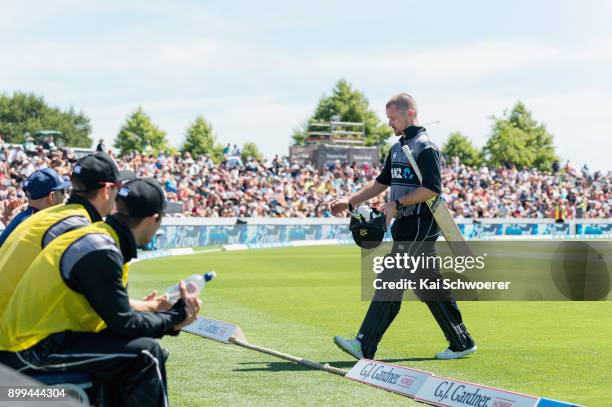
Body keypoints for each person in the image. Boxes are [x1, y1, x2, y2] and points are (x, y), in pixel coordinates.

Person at [0, 178, 199, 407]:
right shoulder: (100, 247)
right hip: (26, 353)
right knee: (147, 354)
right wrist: (174, 318)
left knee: (127, 355)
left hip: (28, 344)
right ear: (153, 219)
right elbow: (123, 324)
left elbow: (115, 319)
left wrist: (165, 318)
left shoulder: (97, 237)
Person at [329, 93, 477, 360]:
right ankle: (461, 341)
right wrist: (349, 201)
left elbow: (431, 189)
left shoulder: (425, 145)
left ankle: (365, 344)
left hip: (421, 222)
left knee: (390, 279)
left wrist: (397, 204)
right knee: (427, 286)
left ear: (410, 113)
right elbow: (380, 183)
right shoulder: (398, 147)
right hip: (406, 224)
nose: (390, 124)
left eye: (393, 118)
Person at [0, 152, 159, 320]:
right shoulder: (74, 224)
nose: (66, 196)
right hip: (12, 326)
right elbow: (100, 300)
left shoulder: (37, 216)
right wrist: (150, 307)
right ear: (106, 190)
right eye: (116, 188)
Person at [0, 168, 71, 247]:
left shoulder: (23, 217)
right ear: (52, 197)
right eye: (63, 192)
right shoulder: (42, 224)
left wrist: (8, 222)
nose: (65, 196)